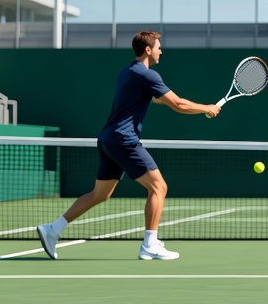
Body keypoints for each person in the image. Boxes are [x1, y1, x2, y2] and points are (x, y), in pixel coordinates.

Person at [36, 31, 220, 260]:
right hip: (124, 140)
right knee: (159, 187)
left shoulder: (128, 72)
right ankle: (150, 245)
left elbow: (157, 98)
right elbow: (178, 104)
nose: (162, 50)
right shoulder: (148, 75)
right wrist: (207, 108)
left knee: (99, 194)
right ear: (148, 50)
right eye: (159, 47)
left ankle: (52, 229)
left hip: (107, 140)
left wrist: (198, 108)